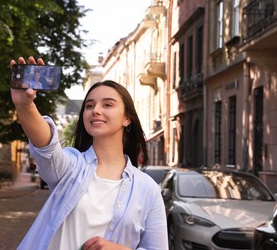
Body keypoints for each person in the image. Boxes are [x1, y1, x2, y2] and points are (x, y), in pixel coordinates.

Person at [10, 56, 168, 250]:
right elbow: (47, 148)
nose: (96, 110)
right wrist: (25, 106)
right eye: (89, 105)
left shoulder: (148, 189)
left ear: (127, 118)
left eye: (107, 104)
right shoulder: (71, 167)